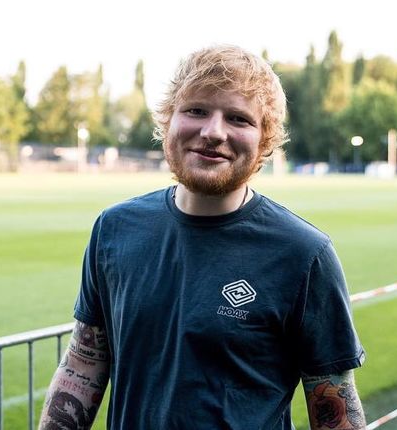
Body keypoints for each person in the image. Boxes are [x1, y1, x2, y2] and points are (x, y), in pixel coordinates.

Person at [39, 45, 366, 430]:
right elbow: (82, 365)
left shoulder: (304, 254)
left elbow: (335, 411)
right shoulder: (113, 229)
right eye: (196, 110)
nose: (213, 132)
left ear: (264, 139)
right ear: (168, 121)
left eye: (238, 118)